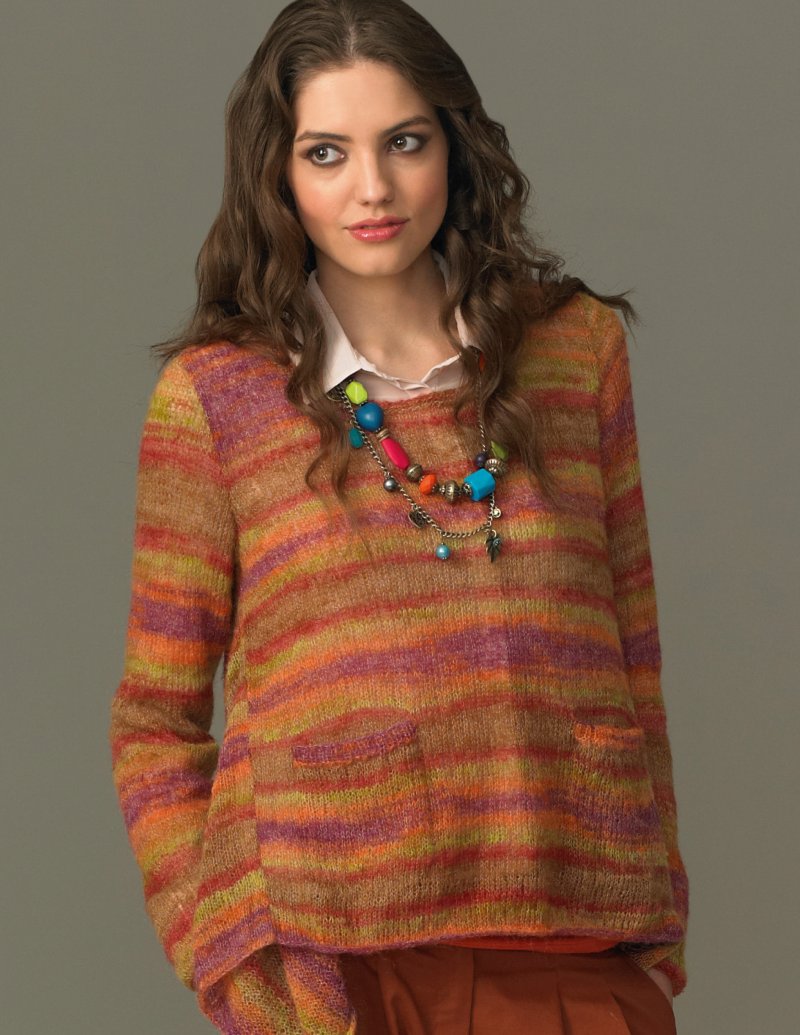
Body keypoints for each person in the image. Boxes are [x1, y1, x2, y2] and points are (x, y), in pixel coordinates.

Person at [108, 1, 689, 1032]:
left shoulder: (575, 350)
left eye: (404, 142)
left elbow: (632, 659)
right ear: (278, 175)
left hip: (576, 954)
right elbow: (155, 725)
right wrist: (226, 957)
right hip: (342, 973)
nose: (371, 188)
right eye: (326, 153)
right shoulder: (218, 398)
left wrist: (658, 920)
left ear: (454, 151)